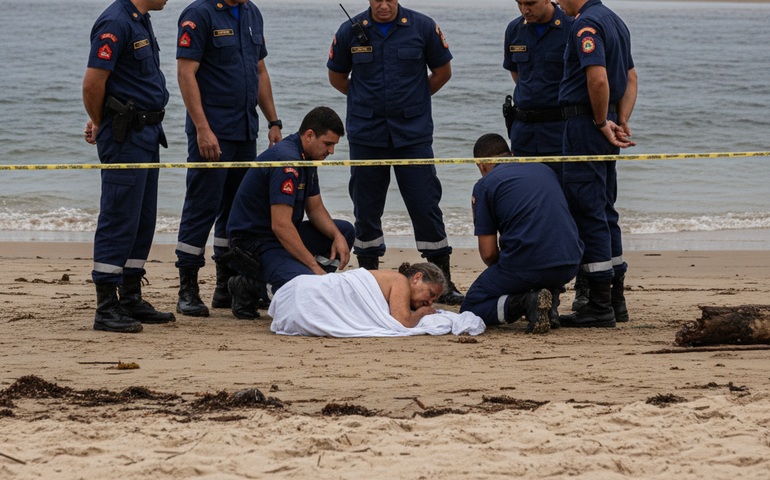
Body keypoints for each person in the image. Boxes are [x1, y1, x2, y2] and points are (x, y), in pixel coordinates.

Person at [327, 0, 464, 305]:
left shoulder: (423, 27)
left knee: (425, 203)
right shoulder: (350, 31)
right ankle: (370, 281)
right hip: (367, 135)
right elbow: (337, 77)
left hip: (412, 135)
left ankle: (444, 280)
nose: (384, 5)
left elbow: (442, 72)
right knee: (366, 208)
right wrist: (365, 99)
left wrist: (414, 98)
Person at [174, 0, 282, 318]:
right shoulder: (199, 14)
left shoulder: (251, 12)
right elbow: (185, 73)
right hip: (212, 132)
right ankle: (188, 289)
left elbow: (259, 70)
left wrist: (273, 122)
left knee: (238, 212)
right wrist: (202, 129)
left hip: (245, 130)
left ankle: (226, 286)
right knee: (202, 206)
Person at [82, 0, 174, 333]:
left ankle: (130, 295)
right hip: (125, 135)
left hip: (147, 133)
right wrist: (100, 121)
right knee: (119, 216)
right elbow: (93, 84)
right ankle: (106, 306)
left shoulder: (141, 19)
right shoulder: (115, 21)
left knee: (143, 219)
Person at [224, 107, 355, 319]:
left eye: (334, 145)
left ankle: (310, 281)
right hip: (254, 243)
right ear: (310, 135)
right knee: (307, 289)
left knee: (345, 231)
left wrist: (337, 237)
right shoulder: (287, 160)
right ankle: (248, 286)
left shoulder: (308, 156)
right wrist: (314, 267)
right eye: (328, 144)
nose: (331, 152)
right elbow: (281, 225)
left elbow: (315, 209)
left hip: (279, 236)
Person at [558, 0, 637, 327]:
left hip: (585, 126)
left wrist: (602, 120)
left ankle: (599, 305)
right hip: (602, 125)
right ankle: (616, 300)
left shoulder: (585, 24)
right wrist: (621, 119)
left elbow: (599, 80)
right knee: (605, 208)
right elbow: (631, 78)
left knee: (587, 209)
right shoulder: (615, 20)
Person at [459, 134, 583, 334]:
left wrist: (510, 273)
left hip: (529, 264)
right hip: (569, 261)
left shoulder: (485, 185)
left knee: (469, 309)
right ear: (512, 155)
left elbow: (489, 254)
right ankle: (549, 302)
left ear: (481, 165)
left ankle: (527, 303)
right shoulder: (545, 169)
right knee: (536, 262)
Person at [503, 0, 573, 184]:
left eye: (531, 3)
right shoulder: (514, 29)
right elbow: (518, 74)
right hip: (523, 135)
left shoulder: (572, 26)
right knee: (526, 198)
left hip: (560, 134)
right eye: (519, 3)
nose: (524, 9)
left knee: (565, 198)